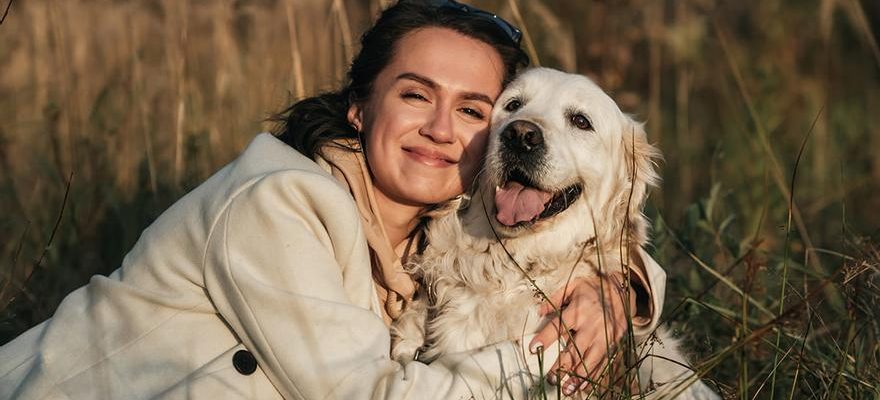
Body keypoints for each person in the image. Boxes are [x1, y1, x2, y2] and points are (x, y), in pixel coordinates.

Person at [0, 1, 665, 398]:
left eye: (471, 109)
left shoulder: (437, 229)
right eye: (414, 94)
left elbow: (599, 225)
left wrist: (618, 289)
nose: (440, 129)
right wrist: (550, 354)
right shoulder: (279, 203)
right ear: (359, 107)